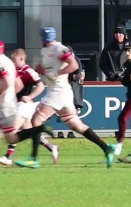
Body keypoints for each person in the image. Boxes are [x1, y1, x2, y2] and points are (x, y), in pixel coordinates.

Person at [15, 27, 116, 169]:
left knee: (36, 120)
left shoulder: (59, 49)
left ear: (43, 38)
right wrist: (41, 70)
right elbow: (45, 69)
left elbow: (73, 65)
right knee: (77, 126)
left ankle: (34, 158)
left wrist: (57, 73)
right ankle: (106, 148)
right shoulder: (46, 51)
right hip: (62, 94)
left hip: (58, 92)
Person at [0, 41, 54, 174]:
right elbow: (19, 84)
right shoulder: (8, 62)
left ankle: (40, 128)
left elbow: (7, 82)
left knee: (11, 138)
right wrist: (10, 96)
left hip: (3, 107)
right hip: (3, 104)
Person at [0, 49, 58, 166]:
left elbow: (41, 86)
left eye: (14, 59)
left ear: (21, 59)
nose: (12, 61)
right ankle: (52, 147)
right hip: (17, 105)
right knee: (31, 132)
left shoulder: (28, 71)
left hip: (24, 105)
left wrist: (30, 96)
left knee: (12, 130)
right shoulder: (14, 70)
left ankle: (7, 157)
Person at [113, 41, 131, 156]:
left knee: (123, 118)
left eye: (129, 50)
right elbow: (128, 83)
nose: (127, 53)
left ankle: (120, 144)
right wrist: (121, 78)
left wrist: (127, 77)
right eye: (126, 50)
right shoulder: (127, 64)